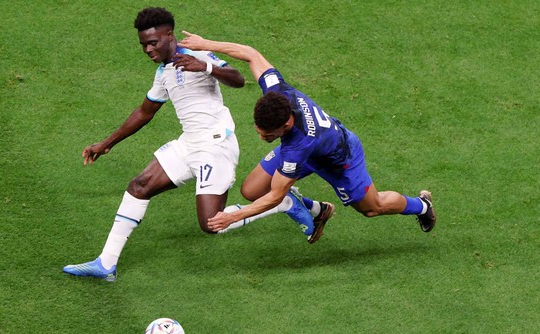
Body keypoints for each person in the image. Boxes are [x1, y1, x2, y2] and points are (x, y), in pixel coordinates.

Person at [62, 8, 318, 282]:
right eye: (143, 45)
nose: (148, 49)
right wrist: (106, 143)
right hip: (189, 143)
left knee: (211, 224)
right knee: (139, 186)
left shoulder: (195, 54)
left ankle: (283, 203)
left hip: (215, 146)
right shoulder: (164, 71)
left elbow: (238, 79)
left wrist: (206, 67)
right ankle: (106, 263)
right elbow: (145, 112)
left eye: (153, 42)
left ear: (169, 35)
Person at [178, 31, 436, 236]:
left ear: (285, 126)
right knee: (252, 189)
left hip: (341, 160)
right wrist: (205, 43)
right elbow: (251, 55)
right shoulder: (277, 91)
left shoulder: (297, 146)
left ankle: (422, 205)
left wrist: (234, 216)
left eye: (267, 135)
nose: (261, 137)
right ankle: (317, 209)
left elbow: (277, 195)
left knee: (372, 208)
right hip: (311, 148)